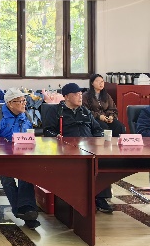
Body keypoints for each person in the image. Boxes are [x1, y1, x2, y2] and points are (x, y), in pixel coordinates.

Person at [43, 83, 113, 214]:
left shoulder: (85, 111)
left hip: (89, 148)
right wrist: (56, 137)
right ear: (66, 97)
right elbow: (48, 131)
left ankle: (100, 198)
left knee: (102, 163)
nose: (80, 97)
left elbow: (97, 129)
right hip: (67, 149)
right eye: (76, 94)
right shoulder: (56, 111)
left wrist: (98, 140)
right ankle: (74, 200)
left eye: (81, 94)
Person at [0, 88, 40, 229]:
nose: (24, 104)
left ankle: (27, 209)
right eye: (20, 101)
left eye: (24, 101)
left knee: (26, 176)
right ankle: (23, 212)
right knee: (7, 178)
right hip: (3, 156)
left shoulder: (26, 115)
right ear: (10, 103)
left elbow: (31, 136)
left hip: (22, 155)